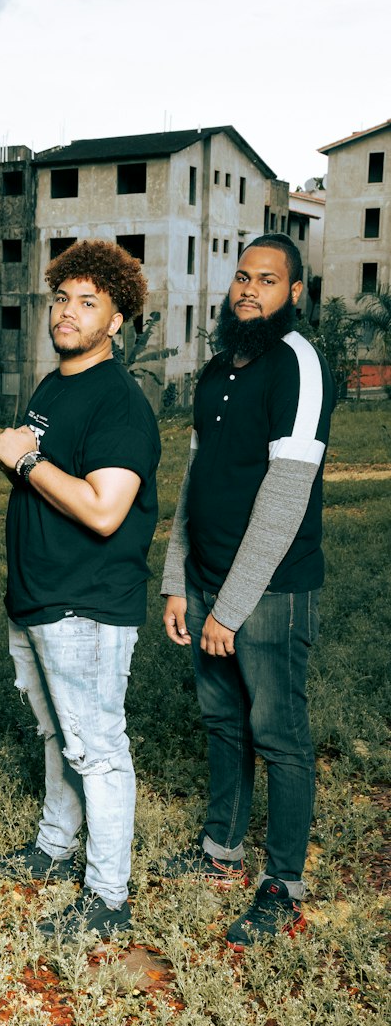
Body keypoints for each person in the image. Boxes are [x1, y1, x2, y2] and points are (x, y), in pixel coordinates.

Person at [161, 233, 335, 948]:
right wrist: (179, 581)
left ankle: (283, 888)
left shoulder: (299, 364)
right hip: (205, 580)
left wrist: (230, 608)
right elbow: (195, 485)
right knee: (224, 723)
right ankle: (220, 854)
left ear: (294, 293)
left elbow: (287, 496)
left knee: (279, 735)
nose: (249, 290)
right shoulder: (218, 368)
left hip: (268, 591)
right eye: (241, 277)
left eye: (267, 280)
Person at [0, 240, 160, 941]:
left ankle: (108, 898)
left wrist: (25, 458)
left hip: (86, 604)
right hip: (37, 596)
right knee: (58, 735)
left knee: (97, 747)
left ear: (117, 320)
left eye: (89, 302)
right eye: (61, 297)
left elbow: (102, 508)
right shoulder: (53, 386)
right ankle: (55, 848)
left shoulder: (120, 402)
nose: (68, 311)